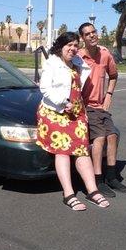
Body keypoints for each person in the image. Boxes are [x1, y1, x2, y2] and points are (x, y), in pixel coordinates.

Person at [36, 32, 110, 211]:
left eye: (75, 45)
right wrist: (63, 102)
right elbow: (44, 88)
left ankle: (92, 191)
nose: (72, 48)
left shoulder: (78, 62)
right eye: (69, 45)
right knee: (63, 151)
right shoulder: (52, 63)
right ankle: (68, 194)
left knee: (82, 150)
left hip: (76, 112)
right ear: (60, 46)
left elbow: (89, 67)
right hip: (55, 113)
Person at [76, 22, 126, 197]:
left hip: (101, 107)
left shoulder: (105, 55)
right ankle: (97, 180)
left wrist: (108, 95)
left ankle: (112, 177)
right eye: (87, 34)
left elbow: (113, 76)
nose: (92, 35)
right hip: (85, 107)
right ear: (82, 38)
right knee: (99, 138)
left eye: (94, 32)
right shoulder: (78, 57)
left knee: (112, 135)